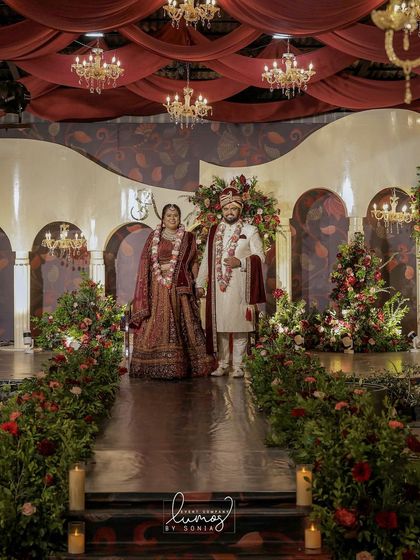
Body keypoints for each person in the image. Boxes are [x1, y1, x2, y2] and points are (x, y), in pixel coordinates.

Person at [130, 204, 216, 379]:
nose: (172, 218)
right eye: (169, 215)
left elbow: (193, 263)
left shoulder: (188, 237)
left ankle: (184, 364)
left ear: (179, 217)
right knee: (156, 319)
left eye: (175, 215)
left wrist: (198, 283)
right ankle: (151, 364)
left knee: (183, 320)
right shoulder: (153, 237)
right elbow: (146, 261)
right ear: (163, 218)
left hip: (180, 285)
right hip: (157, 285)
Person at [196, 187, 266, 378]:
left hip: (241, 286)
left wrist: (241, 262)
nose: (229, 212)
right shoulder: (213, 232)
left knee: (240, 326)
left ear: (240, 210)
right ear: (222, 210)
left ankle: (239, 365)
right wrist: (200, 283)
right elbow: (205, 261)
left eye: (233, 209)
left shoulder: (250, 230)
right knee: (222, 326)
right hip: (218, 287)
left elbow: (260, 257)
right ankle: (223, 363)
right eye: (226, 209)